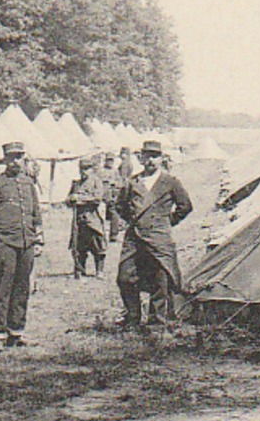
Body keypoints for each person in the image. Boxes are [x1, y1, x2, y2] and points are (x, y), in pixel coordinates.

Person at [0, 141, 45, 353]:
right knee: (3, 288)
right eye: (11, 157)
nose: (16, 161)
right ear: (5, 159)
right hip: (5, 244)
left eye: (19, 157)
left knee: (22, 288)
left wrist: (38, 240)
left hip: (26, 243)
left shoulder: (28, 185)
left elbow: (36, 215)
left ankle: (17, 331)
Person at [116, 139, 194, 330]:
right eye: (147, 156)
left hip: (159, 237)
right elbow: (120, 206)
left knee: (161, 278)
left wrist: (166, 222)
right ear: (141, 158)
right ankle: (133, 317)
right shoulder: (133, 181)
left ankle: (156, 321)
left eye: (155, 156)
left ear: (161, 159)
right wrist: (134, 220)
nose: (150, 160)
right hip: (135, 237)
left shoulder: (170, 182)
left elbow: (185, 206)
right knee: (125, 277)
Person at [66, 154, 109, 278]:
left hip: (93, 218)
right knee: (79, 246)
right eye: (82, 169)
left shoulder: (97, 181)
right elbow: (68, 199)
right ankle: (80, 270)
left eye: (87, 168)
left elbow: (97, 198)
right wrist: (70, 199)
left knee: (97, 244)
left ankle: (99, 271)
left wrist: (79, 199)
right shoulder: (76, 183)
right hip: (79, 220)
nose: (84, 171)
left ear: (92, 169)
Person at [101, 153, 125, 241]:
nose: (110, 162)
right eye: (108, 160)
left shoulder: (115, 171)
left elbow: (120, 182)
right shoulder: (101, 171)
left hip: (112, 196)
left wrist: (114, 183)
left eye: (111, 160)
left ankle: (113, 235)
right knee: (100, 216)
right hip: (101, 196)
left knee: (114, 214)